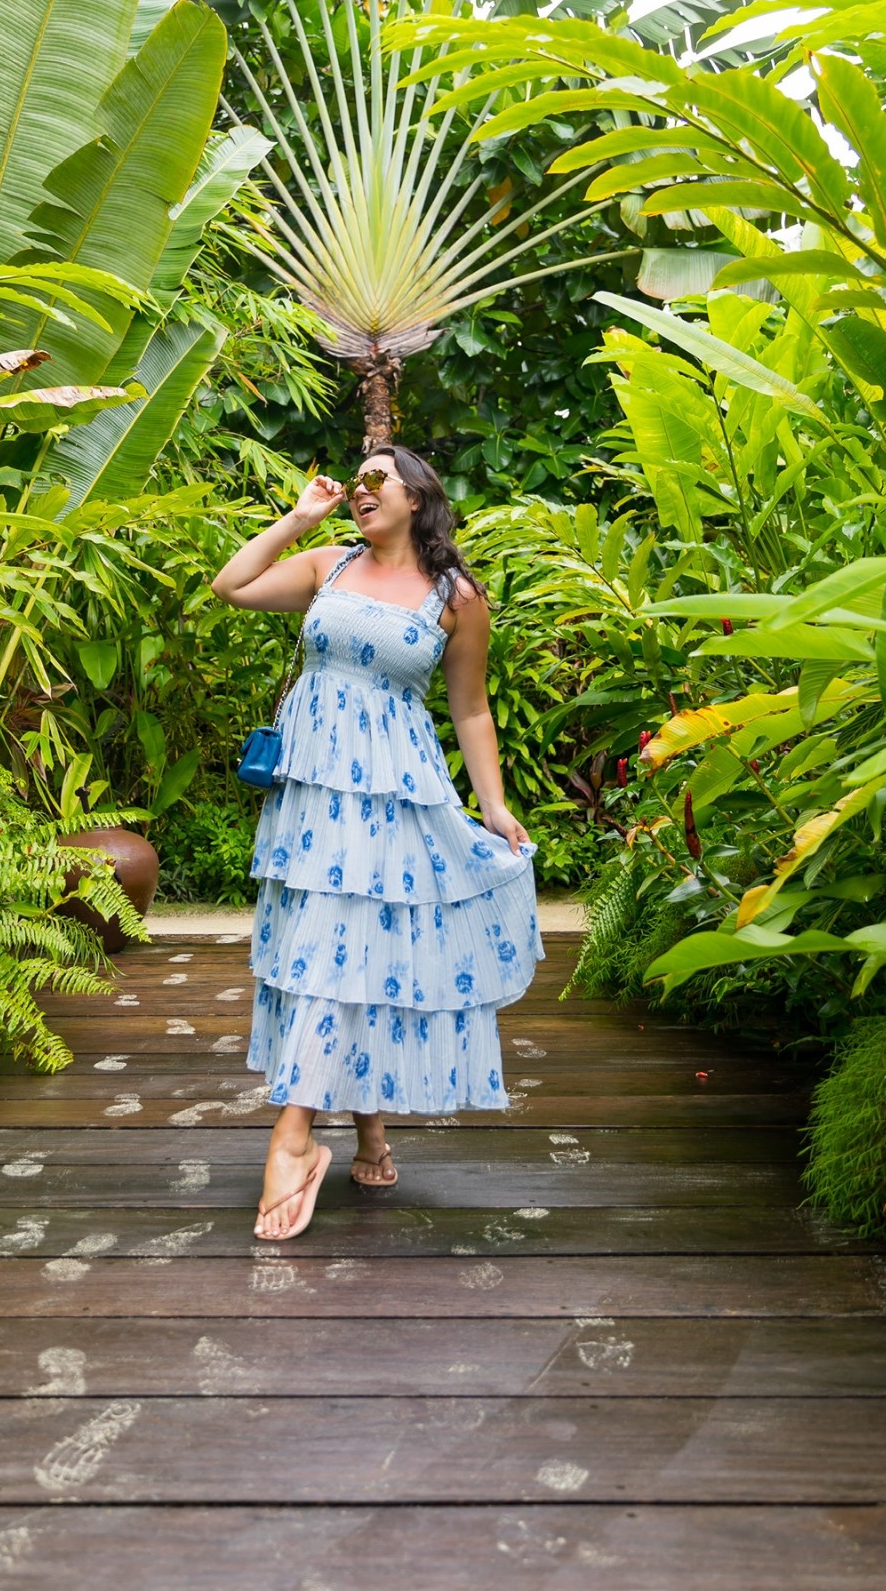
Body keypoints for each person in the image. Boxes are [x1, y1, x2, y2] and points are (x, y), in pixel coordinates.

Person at [210, 444, 542, 1241]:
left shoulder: (455, 596)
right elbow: (232, 586)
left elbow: (470, 710)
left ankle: (294, 1138)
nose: (361, 491)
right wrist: (298, 519)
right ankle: (370, 1134)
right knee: (331, 946)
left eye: (376, 479)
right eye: (355, 480)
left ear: (416, 496)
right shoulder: (326, 565)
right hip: (313, 794)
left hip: (395, 791)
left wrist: (493, 807)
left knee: (354, 943)